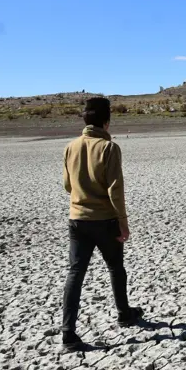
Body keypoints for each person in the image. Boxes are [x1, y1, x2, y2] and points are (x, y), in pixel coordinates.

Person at [61, 97, 143, 350]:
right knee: (116, 268)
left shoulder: (70, 146)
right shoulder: (109, 148)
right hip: (104, 220)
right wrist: (123, 222)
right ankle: (124, 313)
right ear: (106, 122)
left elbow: (67, 185)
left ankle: (68, 332)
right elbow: (115, 189)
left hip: (77, 219)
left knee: (75, 273)